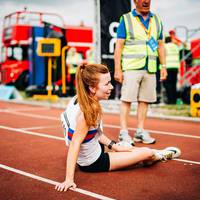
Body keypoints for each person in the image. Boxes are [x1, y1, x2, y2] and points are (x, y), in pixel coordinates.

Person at [55, 63, 181, 192]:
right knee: (146, 152)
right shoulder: (87, 112)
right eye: (106, 84)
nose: (111, 87)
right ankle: (159, 155)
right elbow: (75, 144)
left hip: (95, 149)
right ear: (92, 88)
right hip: (93, 162)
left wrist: (113, 145)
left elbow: (93, 132)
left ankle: (140, 155)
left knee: (127, 148)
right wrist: (69, 179)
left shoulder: (79, 99)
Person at [114, 0, 167, 146]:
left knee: (145, 100)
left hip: (150, 67)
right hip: (131, 67)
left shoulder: (156, 20)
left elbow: (161, 46)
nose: (146, 1)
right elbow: (119, 46)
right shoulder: (126, 19)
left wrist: (163, 66)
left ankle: (140, 131)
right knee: (127, 99)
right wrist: (118, 69)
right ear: (135, 1)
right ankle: (123, 132)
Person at [163, 36, 180, 104]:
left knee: (168, 85)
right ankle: (174, 100)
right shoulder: (176, 46)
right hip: (175, 67)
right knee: (174, 84)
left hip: (168, 67)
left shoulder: (165, 46)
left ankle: (170, 100)